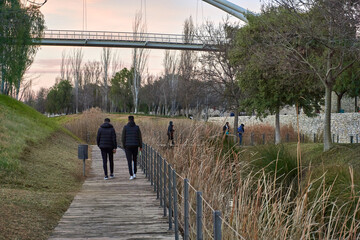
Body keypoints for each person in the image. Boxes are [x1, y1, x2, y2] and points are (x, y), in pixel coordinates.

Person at [122, 115, 143, 180]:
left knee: (129, 161)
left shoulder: (125, 127)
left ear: (128, 120)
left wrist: (124, 146)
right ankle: (134, 173)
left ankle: (131, 174)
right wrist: (140, 146)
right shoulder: (137, 127)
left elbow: (123, 137)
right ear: (133, 120)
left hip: (127, 146)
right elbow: (140, 137)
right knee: (135, 159)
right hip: (135, 145)